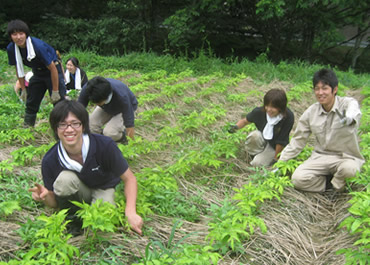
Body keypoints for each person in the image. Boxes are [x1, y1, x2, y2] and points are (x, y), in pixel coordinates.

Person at [28, 100, 143, 235]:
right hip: (78, 192)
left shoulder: (104, 145)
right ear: (55, 128)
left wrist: (130, 212)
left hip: (103, 188)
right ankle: (73, 222)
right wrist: (46, 196)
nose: (69, 129)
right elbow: (55, 203)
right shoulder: (50, 160)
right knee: (64, 180)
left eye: (75, 123)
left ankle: (93, 216)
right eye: (62, 125)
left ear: (83, 126)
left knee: (102, 221)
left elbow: (129, 179)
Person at [279, 69, 364, 192]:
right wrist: (281, 162)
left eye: (324, 88)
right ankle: (329, 185)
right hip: (320, 157)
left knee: (350, 170)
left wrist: (349, 118)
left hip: (346, 157)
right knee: (298, 179)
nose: (320, 93)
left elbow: (354, 109)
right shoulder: (311, 112)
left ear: (334, 90)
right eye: (317, 89)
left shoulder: (346, 104)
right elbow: (298, 140)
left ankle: (337, 185)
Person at [6, 19, 66, 127]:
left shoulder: (38, 47)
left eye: (21, 33)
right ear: (11, 36)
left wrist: (55, 90)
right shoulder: (11, 48)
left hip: (52, 71)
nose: (18, 37)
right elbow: (18, 69)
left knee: (59, 103)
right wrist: (23, 88)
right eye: (15, 34)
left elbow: (52, 68)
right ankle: (28, 128)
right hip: (37, 73)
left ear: (26, 34)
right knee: (31, 100)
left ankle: (64, 127)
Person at [228, 89, 294, 166]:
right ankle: (251, 155)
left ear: (281, 107)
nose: (269, 110)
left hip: (274, 146)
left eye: (273, 107)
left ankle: (260, 158)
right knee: (254, 135)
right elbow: (245, 121)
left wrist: (276, 159)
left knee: (257, 163)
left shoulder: (288, 117)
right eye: (267, 105)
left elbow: (281, 141)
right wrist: (235, 127)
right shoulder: (259, 112)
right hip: (263, 139)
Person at [78, 76, 138, 143]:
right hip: (106, 107)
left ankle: (122, 137)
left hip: (122, 109)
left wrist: (131, 142)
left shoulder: (122, 96)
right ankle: (102, 141)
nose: (97, 104)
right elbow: (79, 110)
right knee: (90, 126)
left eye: (99, 103)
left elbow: (129, 123)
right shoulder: (89, 89)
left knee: (110, 133)